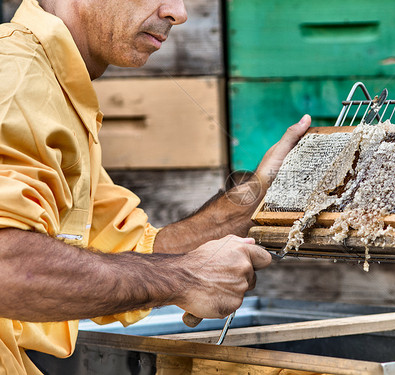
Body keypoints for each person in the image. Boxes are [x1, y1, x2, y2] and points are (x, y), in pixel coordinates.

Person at [0, 0, 311, 373]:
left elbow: (133, 251)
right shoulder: (17, 79)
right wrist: (186, 277)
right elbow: (8, 266)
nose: (178, 13)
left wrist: (259, 196)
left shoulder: (54, 85)